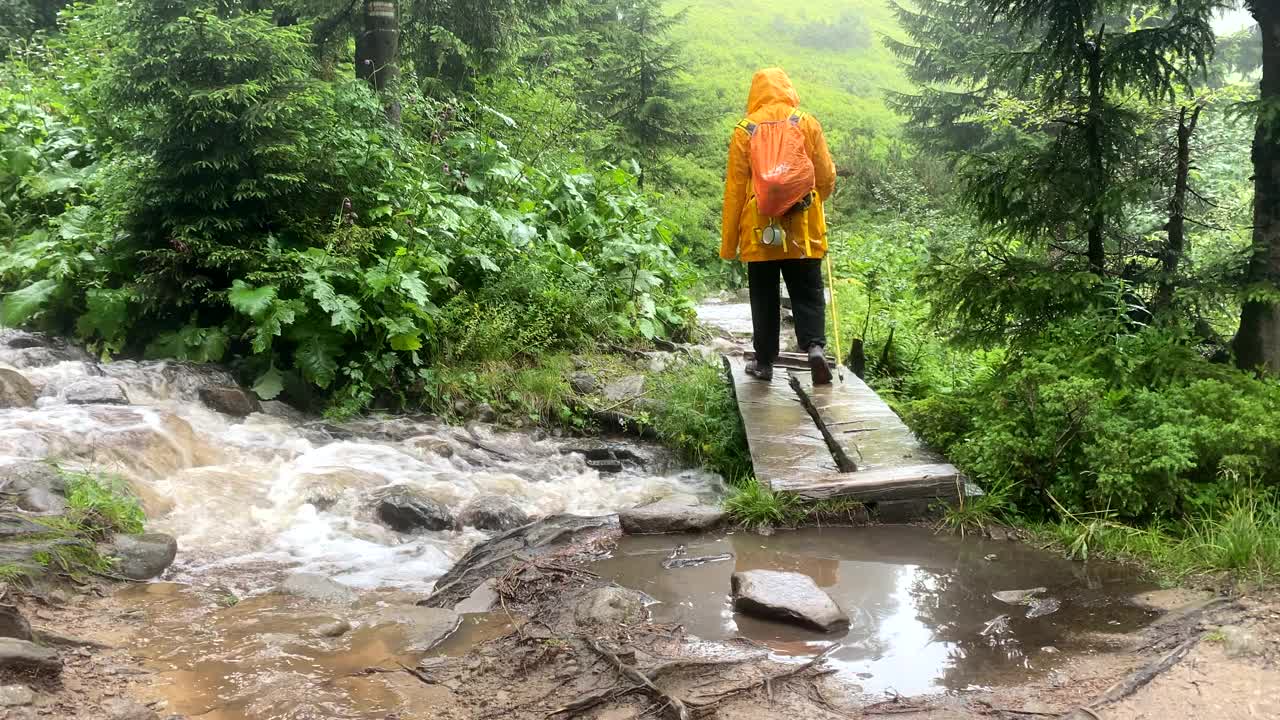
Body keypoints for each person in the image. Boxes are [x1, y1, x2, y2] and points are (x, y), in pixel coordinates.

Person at [719, 67, 837, 384]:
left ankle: (765, 362)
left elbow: (734, 190)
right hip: (803, 225)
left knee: (763, 295)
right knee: (808, 291)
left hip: (761, 227)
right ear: (787, 89)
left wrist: (729, 244)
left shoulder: (745, 130)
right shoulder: (806, 122)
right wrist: (815, 199)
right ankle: (814, 347)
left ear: (755, 93)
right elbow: (825, 176)